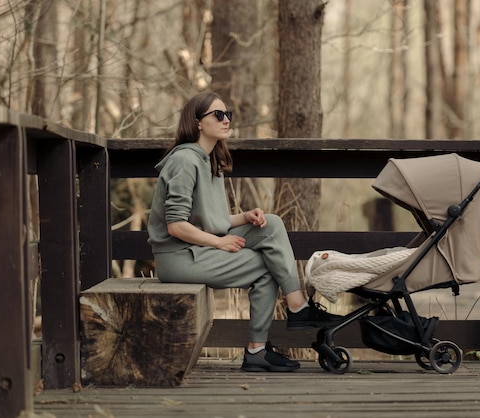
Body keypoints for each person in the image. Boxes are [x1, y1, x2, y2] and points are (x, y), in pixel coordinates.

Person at [147, 91, 343, 372]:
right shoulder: (185, 161)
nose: (226, 120)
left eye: (228, 114)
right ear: (198, 122)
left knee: (271, 222)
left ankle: (295, 307)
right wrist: (219, 243)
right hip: (179, 257)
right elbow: (176, 226)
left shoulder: (208, 160)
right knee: (266, 268)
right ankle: (258, 349)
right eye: (218, 115)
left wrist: (244, 217)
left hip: (197, 248)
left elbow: (209, 219)